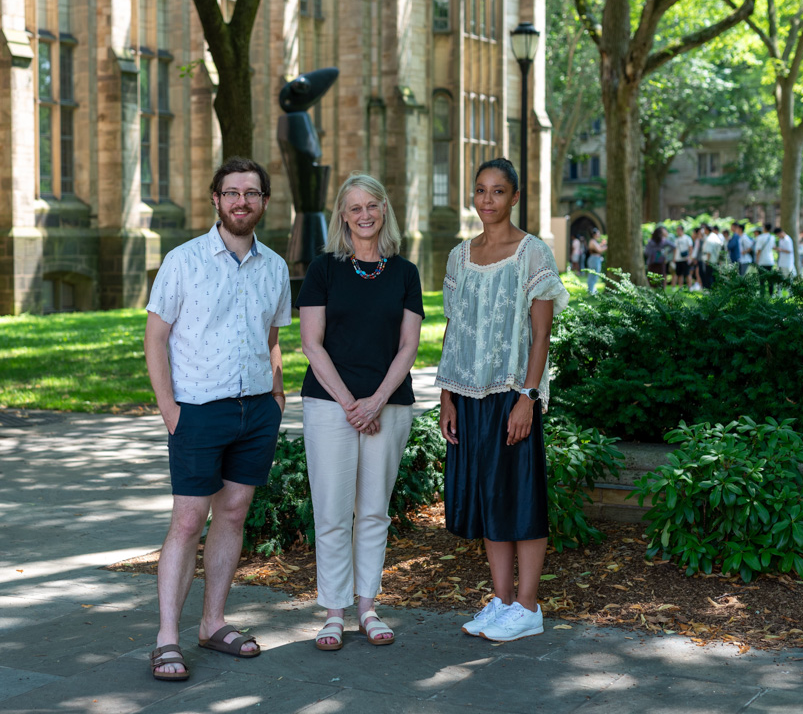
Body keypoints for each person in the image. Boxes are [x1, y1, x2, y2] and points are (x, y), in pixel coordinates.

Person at [145, 157, 292, 682]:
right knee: (188, 521)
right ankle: (167, 638)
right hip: (197, 411)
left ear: (264, 202)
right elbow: (156, 337)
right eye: (231, 193)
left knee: (232, 515)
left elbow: (273, 338)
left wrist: (276, 396)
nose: (241, 202)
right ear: (216, 199)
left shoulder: (274, 267)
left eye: (251, 193)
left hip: (255, 411)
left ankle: (212, 623)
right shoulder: (182, 261)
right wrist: (170, 411)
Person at [436, 158, 570, 643]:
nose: (487, 200)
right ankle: (502, 600)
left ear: (515, 197)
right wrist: (448, 397)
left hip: (512, 392)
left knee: (521, 497)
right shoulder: (459, 256)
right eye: (480, 191)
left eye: (497, 191)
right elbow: (454, 330)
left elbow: (541, 335)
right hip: (469, 394)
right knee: (490, 498)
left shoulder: (532, 254)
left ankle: (529, 606)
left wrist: (527, 398)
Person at [298, 173, 424, 651]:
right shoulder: (323, 269)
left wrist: (376, 401)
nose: (364, 214)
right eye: (354, 207)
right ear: (343, 216)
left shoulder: (405, 273)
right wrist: (352, 405)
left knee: (373, 512)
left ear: (384, 210)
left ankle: (367, 606)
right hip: (330, 405)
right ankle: (333, 613)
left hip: (389, 407)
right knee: (332, 512)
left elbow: (409, 347)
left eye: (372, 205)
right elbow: (311, 343)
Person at [754, 223, 776, 295]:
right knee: (770, 279)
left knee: (762, 279)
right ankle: (771, 294)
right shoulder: (772, 237)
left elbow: (758, 250)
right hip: (770, 260)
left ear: (765, 228)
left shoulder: (760, 237)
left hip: (762, 261)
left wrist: (757, 260)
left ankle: (762, 295)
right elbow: (773, 247)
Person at [701, 225, 724, 289]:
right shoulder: (715, 236)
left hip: (710, 261)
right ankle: (715, 289)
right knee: (714, 276)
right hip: (716, 260)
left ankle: (710, 289)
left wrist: (707, 261)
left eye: (704, 229)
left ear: (707, 230)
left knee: (709, 276)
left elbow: (709, 251)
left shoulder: (710, 238)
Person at [586, 231, 606, 295]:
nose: (599, 235)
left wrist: (602, 244)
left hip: (596, 259)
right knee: (592, 275)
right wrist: (606, 247)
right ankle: (590, 290)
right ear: (594, 234)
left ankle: (592, 289)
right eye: (598, 233)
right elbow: (599, 250)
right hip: (594, 260)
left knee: (595, 275)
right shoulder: (592, 241)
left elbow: (598, 248)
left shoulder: (594, 241)